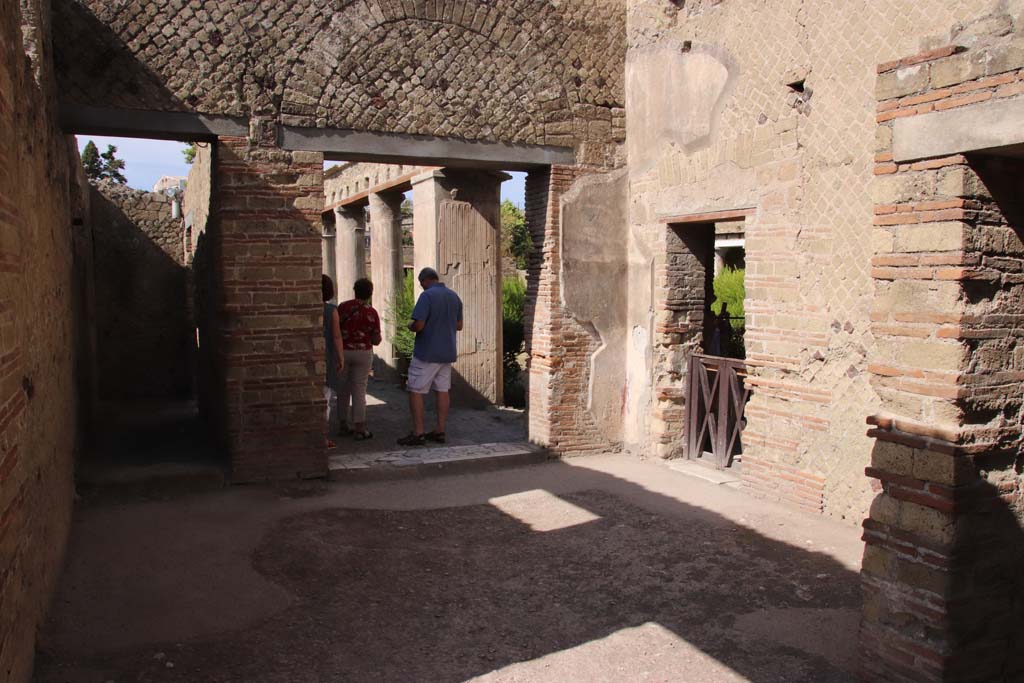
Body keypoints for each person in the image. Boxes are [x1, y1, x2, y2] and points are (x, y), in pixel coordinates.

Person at [398, 267, 463, 446]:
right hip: (447, 352)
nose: (421, 286)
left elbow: (419, 325)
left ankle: (418, 432)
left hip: (427, 353)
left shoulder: (427, 296)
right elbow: (459, 325)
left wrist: (410, 326)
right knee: (442, 390)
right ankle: (440, 430)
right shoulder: (454, 296)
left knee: (415, 390)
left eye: (421, 283)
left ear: (425, 280)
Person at [336, 278, 382, 440]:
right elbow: (376, 339)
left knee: (342, 388)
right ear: (370, 293)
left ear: (355, 290)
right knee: (359, 389)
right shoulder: (371, 312)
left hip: (343, 351)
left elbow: (335, 330)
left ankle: (342, 423)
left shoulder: (343, 307)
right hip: (363, 352)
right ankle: (360, 428)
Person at [322, 275, 345, 448]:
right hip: (326, 358)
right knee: (325, 399)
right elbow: (337, 336)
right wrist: (340, 357)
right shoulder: (331, 310)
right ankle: (323, 437)